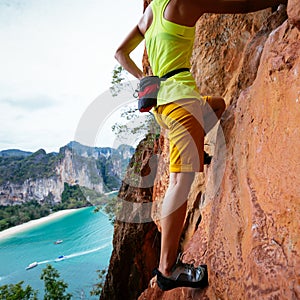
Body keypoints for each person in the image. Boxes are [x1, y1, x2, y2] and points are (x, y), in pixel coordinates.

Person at [115, 0, 287, 291]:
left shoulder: (151, 11)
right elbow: (243, 6)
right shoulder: (184, 4)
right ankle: (168, 268)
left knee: (217, 105)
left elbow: (120, 53)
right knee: (181, 181)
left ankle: (197, 146)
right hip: (180, 102)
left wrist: (145, 78)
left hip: (165, 107)